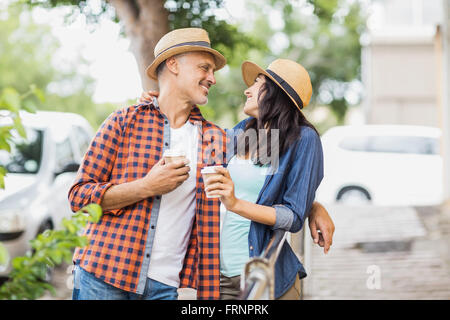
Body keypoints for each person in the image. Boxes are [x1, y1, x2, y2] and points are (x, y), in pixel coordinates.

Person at [70, 27, 334, 300]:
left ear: (276, 94)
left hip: (200, 281)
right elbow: (78, 197)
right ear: (172, 65)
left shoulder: (232, 139)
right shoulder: (236, 134)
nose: (215, 79)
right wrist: (147, 184)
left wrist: (311, 205)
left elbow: (278, 189)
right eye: (204, 68)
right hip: (111, 273)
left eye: (258, 83)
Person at [140, 58, 335, 299]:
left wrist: (236, 204)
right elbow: (197, 138)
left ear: (276, 94)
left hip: (264, 278)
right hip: (218, 279)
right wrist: (161, 106)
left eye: (257, 83)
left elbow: (292, 216)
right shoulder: (245, 131)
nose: (247, 89)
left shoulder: (304, 139)